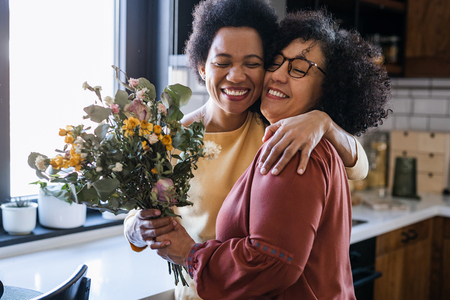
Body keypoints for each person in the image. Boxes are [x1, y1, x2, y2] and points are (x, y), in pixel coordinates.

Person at [124, 1, 370, 298]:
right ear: (202, 67)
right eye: (222, 63)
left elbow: (359, 166)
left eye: (252, 63)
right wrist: (136, 229)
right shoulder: (172, 139)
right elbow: (144, 209)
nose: (237, 76)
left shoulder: (281, 129)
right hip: (195, 289)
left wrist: (324, 122)